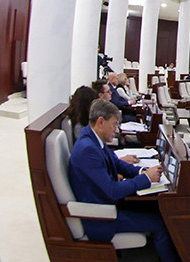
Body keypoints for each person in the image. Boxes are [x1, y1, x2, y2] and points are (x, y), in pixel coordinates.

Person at [68, 100, 179, 261]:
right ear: (101, 121)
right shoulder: (88, 150)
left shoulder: (91, 137)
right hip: (101, 217)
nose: (116, 130)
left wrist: (142, 171)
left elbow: (116, 163)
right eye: (114, 124)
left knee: (157, 209)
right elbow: (112, 191)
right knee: (160, 223)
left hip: (106, 204)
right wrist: (146, 179)